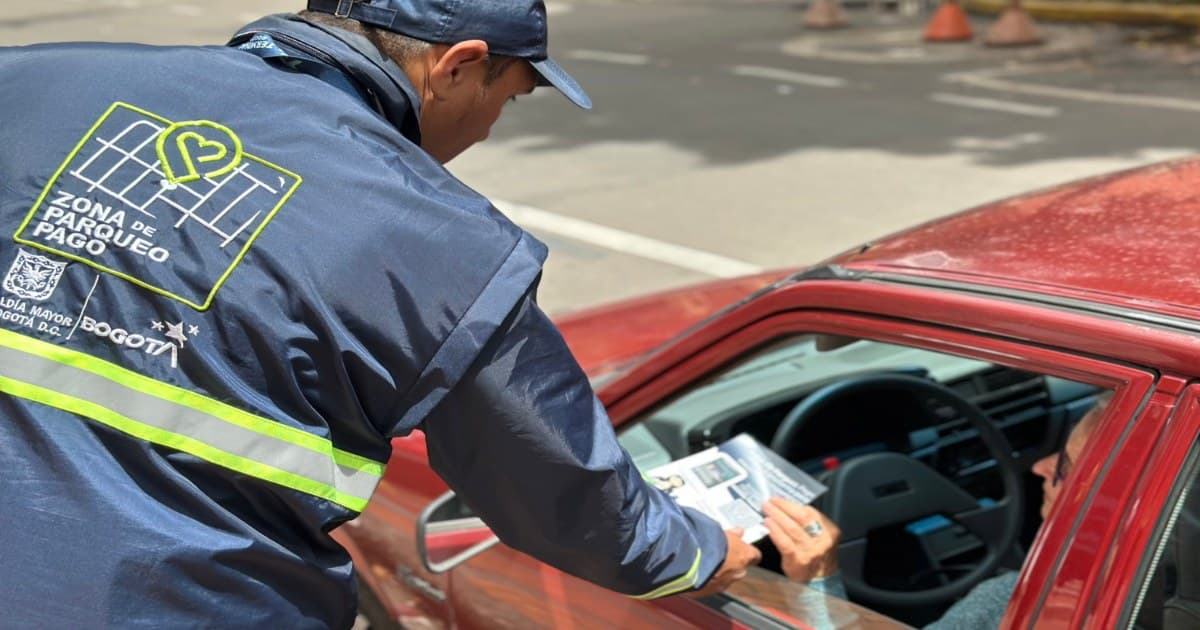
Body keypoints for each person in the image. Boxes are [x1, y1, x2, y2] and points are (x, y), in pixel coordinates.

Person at [0, 2, 759, 627]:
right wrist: (697, 553)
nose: (492, 124)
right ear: (458, 66)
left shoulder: (28, 81)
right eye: (510, 96)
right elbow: (563, 492)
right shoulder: (440, 242)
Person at [763, 391, 1113, 629]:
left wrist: (817, 578)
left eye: (1064, 466)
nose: (1040, 466)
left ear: (1105, 506)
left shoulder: (1020, 601)